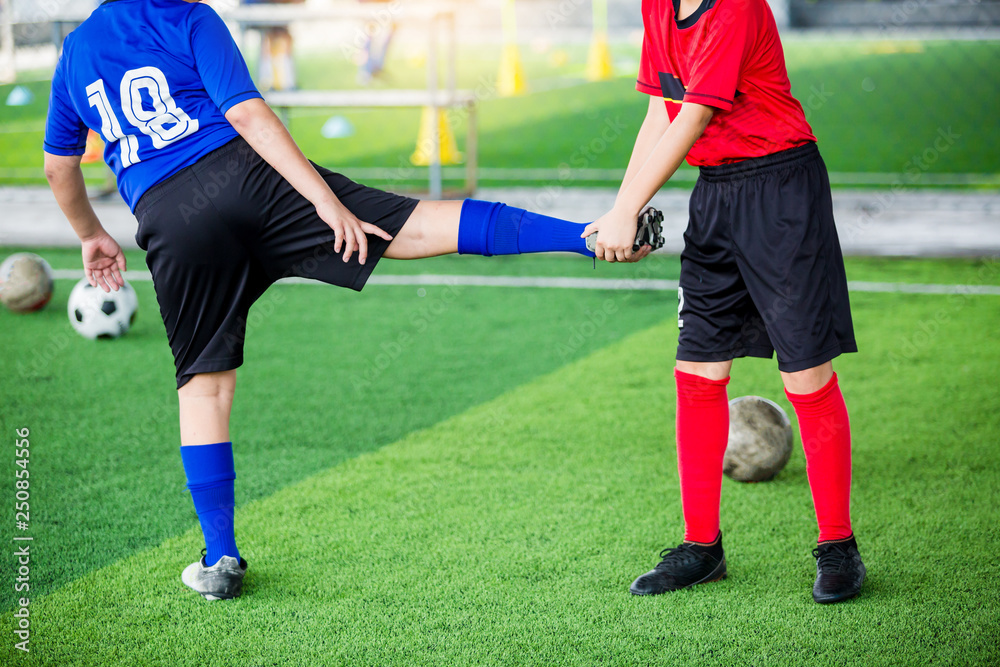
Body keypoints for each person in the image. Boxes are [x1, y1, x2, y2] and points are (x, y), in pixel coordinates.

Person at [43, 0, 659, 601]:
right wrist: (325, 201)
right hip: (248, 176)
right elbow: (248, 114)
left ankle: (220, 557)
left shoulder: (74, 52)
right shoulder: (190, 15)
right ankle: (586, 236)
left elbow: (58, 167)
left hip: (172, 217)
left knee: (205, 389)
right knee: (412, 225)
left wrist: (91, 235)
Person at [582, 0, 865, 603]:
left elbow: (694, 116)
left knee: (805, 374)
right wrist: (623, 208)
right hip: (716, 195)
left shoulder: (734, 7)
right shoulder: (657, 5)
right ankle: (701, 548)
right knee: (697, 370)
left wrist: (628, 210)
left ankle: (838, 545)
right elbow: (661, 111)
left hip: (782, 190)